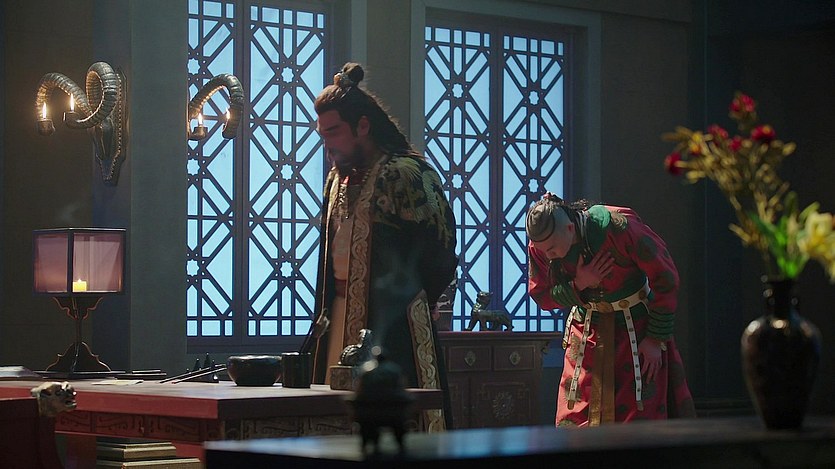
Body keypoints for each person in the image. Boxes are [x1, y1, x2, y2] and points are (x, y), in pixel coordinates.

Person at [300, 62, 458, 431]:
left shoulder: (407, 174)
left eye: (334, 132)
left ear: (363, 126)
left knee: (397, 424)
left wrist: (416, 299)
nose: (328, 144)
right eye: (323, 135)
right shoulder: (335, 181)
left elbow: (441, 248)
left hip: (396, 325)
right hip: (336, 317)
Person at [526, 193, 695, 426]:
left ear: (569, 228)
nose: (548, 256)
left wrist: (655, 339)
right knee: (575, 417)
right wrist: (579, 283)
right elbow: (542, 296)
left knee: (639, 415)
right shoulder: (541, 244)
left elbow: (666, 277)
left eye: (552, 249)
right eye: (542, 250)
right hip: (585, 334)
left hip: (635, 332)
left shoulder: (620, 227)